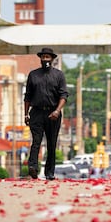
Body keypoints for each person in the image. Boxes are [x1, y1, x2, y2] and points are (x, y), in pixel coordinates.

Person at [24, 47, 69, 180]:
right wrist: (26, 114)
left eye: (48, 57)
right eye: (43, 57)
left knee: (51, 143)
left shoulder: (59, 75)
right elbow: (27, 96)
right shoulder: (33, 75)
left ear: (52, 59)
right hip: (37, 112)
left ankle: (50, 172)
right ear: (40, 59)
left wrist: (57, 110)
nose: (45, 60)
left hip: (53, 113)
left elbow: (64, 95)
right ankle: (32, 167)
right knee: (36, 141)